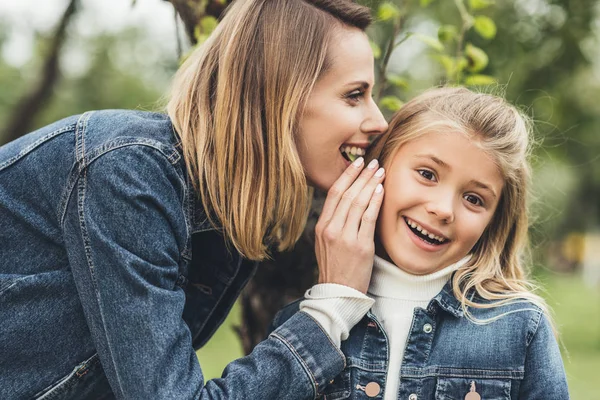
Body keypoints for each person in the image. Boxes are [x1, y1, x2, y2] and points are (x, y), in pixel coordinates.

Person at [0, 1, 389, 399]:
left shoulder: (227, 209)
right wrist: (330, 312)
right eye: (354, 95)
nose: (380, 121)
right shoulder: (128, 173)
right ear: (276, 95)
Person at [272, 87, 570, 399]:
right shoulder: (309, 323)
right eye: (427, 174)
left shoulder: (519, 326)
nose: (443, 209)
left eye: (474, 199)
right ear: (379, 168)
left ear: (494, 221)